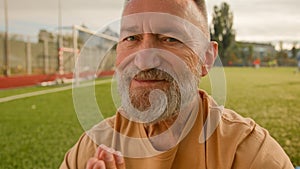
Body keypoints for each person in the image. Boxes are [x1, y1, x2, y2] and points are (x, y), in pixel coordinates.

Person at [60, 0, 294, 168]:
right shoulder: (90, 151)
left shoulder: (248, 154)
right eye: (132, 38)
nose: (144, 60)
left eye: (170, 38)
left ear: (207, 58)